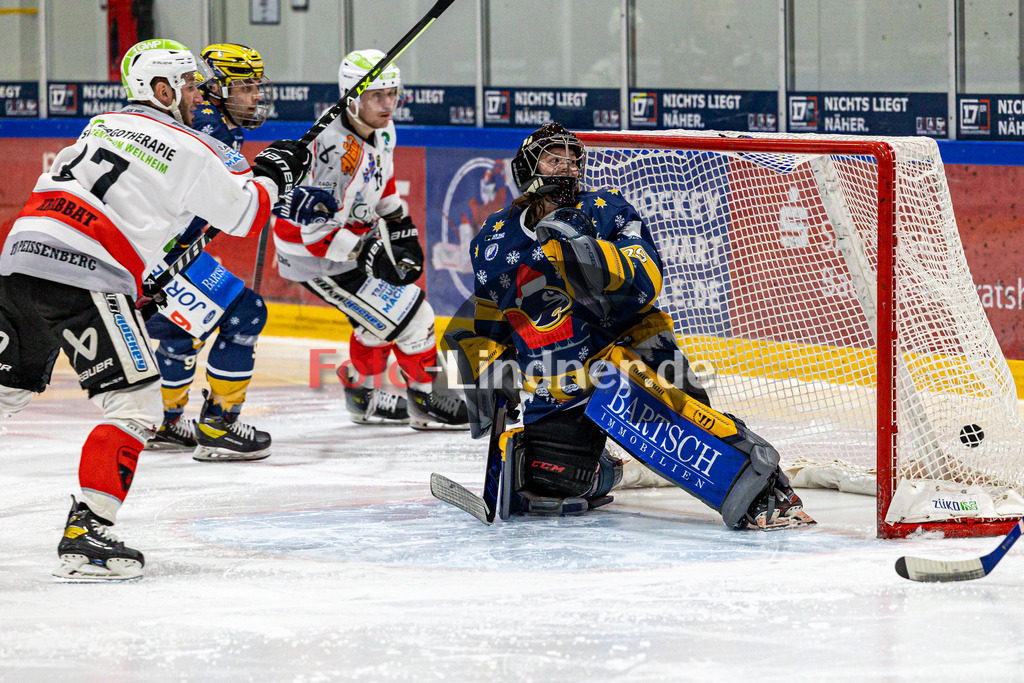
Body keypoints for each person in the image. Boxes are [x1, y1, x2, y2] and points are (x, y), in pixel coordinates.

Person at [0, 39, 310, 580]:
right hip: (85, 267)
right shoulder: (189, 144)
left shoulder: (100, 124)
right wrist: (277, 171)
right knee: (138, 405)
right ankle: (87, 531)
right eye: (189, 84)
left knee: (6, 391)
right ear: (161, 90)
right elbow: (246, 215)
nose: (197, 93)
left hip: (20, 254)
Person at [457, 122, 812, 529]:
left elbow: (647, 280)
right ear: (527, 169)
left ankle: (769, 491)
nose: (568, 168)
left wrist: (588, 252)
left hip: (632, 350)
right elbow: (489, 311)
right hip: (558, 375)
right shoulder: (493, 237)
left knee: (691, 438)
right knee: (551, 480)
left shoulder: (604, 209)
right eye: (555, 159)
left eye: (574, 160)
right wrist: (485, 364)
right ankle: (604, 470)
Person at [271, 49, 468, 430]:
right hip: (316, 255)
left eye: (392, 93)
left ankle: (361, 393)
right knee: (415, 316)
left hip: (352, 237)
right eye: (377, 95)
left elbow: (383, 177)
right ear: (351, 97)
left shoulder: (381, 129)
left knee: (377, 320)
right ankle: (426, 398)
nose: (388, 104)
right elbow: (316, 235)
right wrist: (368, 253)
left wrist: (398, 223)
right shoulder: (330, 152)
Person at [144, 43, 276, 461]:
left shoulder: (212, 124)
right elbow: (231, 203)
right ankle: (219, 424)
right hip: (163, 252)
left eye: (257, 86)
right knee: (246, 313)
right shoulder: (210, 129)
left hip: (152, 248)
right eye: (246, 87)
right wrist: (279, 186)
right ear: (217, 89)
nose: (256, 97)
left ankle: (166, 422)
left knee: (178, 332)